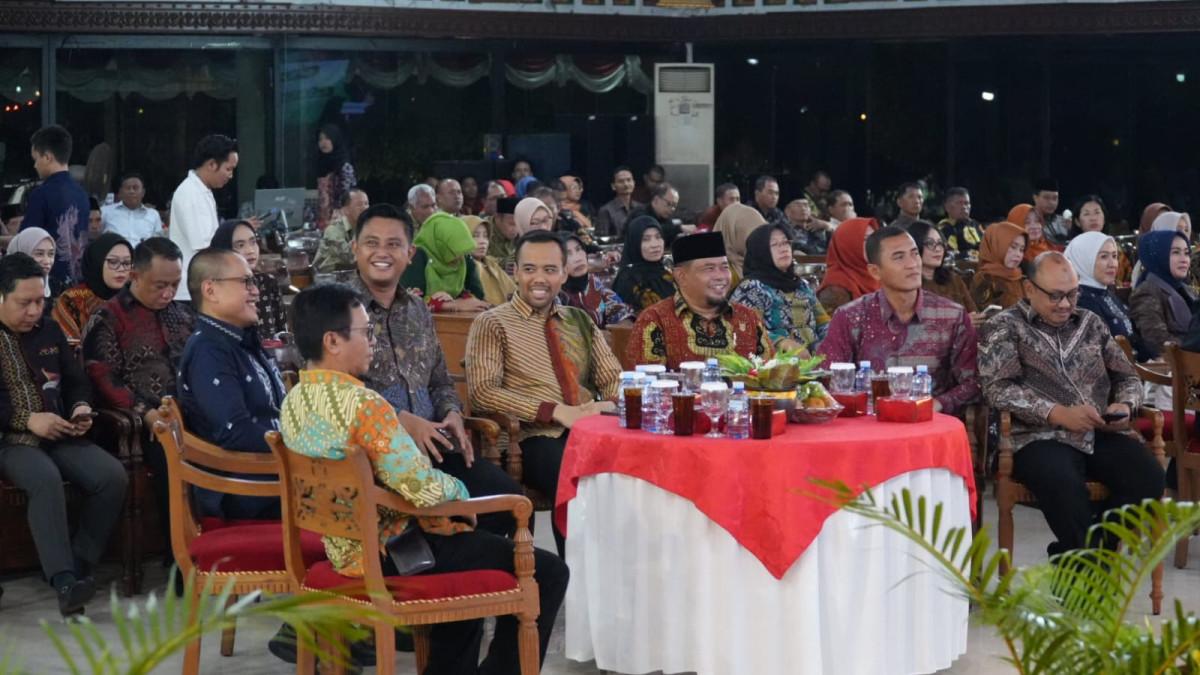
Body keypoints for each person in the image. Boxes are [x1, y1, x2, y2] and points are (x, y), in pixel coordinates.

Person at [283, 282, 568, 674]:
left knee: (470, 552)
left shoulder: (294, 400)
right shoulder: (365, 405)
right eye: (365, 333)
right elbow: (423, 488)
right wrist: (463, 497)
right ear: (333, 341)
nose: (373, 343)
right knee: (548, 570)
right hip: (390, 554)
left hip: (343, 549)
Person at [348, 204, 523, 536]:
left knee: (508, 502)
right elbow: (336, 389)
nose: (382, 253)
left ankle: (473, 585)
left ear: (411, 253)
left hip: (437, 449)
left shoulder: (418, 309)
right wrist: (399, 418)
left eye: (393, 244)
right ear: (355, 248)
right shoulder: (336, 309)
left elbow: (441, 380)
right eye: (372, 243)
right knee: (457, 519)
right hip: (380, 458)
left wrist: (453, 414)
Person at [978, 251, 1164, 555]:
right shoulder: (1004, 327)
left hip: (1099, 431)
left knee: (1148, 478)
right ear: (1029, 288)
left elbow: (1127, 377)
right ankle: (1089, 568)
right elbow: (997, 389)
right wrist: (1056, 413)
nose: (1065, 304)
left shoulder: (1090, 323)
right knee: (1063, 485)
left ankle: (1087, 558)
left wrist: (1125, 405)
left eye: (1072, 294)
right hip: (1037, 437)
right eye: (1055, 296)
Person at [467, 230, 621, 554]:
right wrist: (555, 411)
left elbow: (613, 378)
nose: (539, 278)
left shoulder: (579, 320)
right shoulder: (493, 323)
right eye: (530, 269)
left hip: (588, 429)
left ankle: (617, 584)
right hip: (530, 437)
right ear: (515, 272)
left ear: (564, 273)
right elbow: (482, 392)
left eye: (550, 270)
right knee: (577, 476)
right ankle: (577, 582)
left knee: (628, 477)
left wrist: (607, 404)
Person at [0, 253, 127, 616]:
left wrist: (80, 408)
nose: (34, 311)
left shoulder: (49, 329)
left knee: (111, 476)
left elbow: (75, 380)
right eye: (25, 303)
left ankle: (80, 560)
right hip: (11, 440)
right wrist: (26, 419)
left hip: (59, 430)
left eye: (41, 301)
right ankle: (64, 582)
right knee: (44, 478)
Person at [82, 237, 193, 551]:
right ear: (134, 275)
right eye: (159, 285)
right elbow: (104, 378)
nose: (168, 293)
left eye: (175, 284)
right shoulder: (108, 317)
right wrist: (145, 411)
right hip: (142, 422)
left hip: (190, 412)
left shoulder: (182, 314)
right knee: (170, 452)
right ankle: (180, 559)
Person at [818, 226, 979, 414]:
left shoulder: (951, 316)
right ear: (875, 271)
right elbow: (827, 378)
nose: (912, 264)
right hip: (869, 426)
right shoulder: (850, 317)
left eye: (914, 254)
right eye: (899, 257)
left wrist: (938, 403)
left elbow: (973, 382)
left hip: (929, 425)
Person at [177, 248, 286, 520]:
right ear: (210, 290)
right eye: (246, 282)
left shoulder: (239, 339)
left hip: (275, 474)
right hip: (244, 489)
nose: (256, 291)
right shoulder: (209, 351)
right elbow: (235, 432)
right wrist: (301, 447)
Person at [628, 231, 773, 368]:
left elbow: (771, 376)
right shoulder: (655, 320)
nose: (720, 276)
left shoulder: (748, 318)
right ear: (681, 276)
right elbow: (648, 385)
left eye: (724, 267)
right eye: (709, 269)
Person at [731, 222, 829, 354]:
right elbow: (744, 331)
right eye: (775, 245)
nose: (784, 249)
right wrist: (781, 343)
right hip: (773, 368)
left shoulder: (801, 285)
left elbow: (823, 323)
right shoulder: (751, 288)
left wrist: (829, 344)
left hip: (814, 365)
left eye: (785, 242)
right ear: (761, 252)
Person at [169, 134, 238, 302]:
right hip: (192, 290)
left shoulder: (201, 189)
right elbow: (205, 246)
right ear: (212, 164)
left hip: (201, 285)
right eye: (228, 169)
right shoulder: (191, 193)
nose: (231, 176)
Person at [22, 125, 90, 285]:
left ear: (47, 157)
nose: (35, 165)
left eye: (36, 159)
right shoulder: (82, 194)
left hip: (48, 282)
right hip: (78, 283)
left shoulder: (41, 193)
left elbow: (25, 242)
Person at [1064, 231, 1145, 361]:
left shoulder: (1104, 293)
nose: (1112, 263)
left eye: (1114, 256)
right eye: (1103, 257)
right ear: (1084, 259)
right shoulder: (1082, 301)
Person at [209, 220, 286, 336]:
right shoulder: (215, 288)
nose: (250, 250)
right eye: (240, 245)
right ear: (224, 249)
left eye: (253, 242)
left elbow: (282, 332)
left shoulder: (268, 282)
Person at [401, 212, 490, 312]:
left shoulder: (464, 258)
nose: (460, 257)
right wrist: (448, 305)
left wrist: (458, 299)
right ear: (440, 245)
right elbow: (406, 303)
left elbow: (477, 296)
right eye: (453, 250)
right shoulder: (417, 257)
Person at [1128, 230, 1196, 360]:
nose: (1184, 259)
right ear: (1158, 255)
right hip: (1173, 371)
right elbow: (1157, 341)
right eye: (1175, 252)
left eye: (1186, 253)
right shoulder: (1146, 292)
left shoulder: (1187, 290)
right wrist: (1194, 348)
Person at [52, 233, 132, 344]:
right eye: (113, 262)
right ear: (97, 261)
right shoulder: (72, 300)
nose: (121, 269)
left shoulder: (134, 300)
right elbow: (67, 350)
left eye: (127, 263)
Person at [559, 233, 634, 329]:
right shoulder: (557, 296)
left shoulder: (593, 282)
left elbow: (616, 307)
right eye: (567, 254)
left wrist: (623, 324)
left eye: (578, 249)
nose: (577, 258)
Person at [905, 220, 978, 316]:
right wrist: (962, 324)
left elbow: (973, 312)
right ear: (915, 247)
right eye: (930, 243)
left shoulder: (953, 279)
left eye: (940, 243)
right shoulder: (907, 286)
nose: (938, 249)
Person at [612, 216, 676, 313]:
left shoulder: (667, 272)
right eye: (646, 239)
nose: (655, 244)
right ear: (635, 243)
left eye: (658, 237)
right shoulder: (628, 280)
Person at [816, 217, 881, 313]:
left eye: (874, 239)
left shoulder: (877, 274)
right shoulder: (835, 290)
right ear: (848, 244)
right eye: (866, 239)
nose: (874, 245)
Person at [971, 221, 1027, 310]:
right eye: (1013, 247)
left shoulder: (1021, 279)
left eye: (1021, 249)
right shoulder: (985, 279)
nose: (1018, 254)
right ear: (996, 245)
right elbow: (988, 316)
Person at [7, 227, 66, 309]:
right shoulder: (6, 290)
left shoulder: (57, 288)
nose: (47, 261)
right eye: (39, 254)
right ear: (22, 253)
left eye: (51, 254)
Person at [313, 187, 369, 273]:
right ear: (345, 210)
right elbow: (350, 257)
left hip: (348, 275)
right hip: (327, 277)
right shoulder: (333, 230)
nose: (365, 208)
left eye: (366, 204)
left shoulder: (364, 227)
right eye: (359, 205)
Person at [101, 173, 163, 246]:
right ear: (120, 192)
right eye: (128, 188)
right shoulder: (105, 212)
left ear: (143, 192)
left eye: (135, 188)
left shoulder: (153, 215)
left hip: (143, 256)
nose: (132, 191)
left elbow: (157, 243)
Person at [467, 216, 517, 306]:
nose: (483, 241)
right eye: (475, 236)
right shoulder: (463, 268)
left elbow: (512, 290)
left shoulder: (491, 263)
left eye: (485, 236)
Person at [315, 125, 357, 231]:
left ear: (335, 140)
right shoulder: (320, 164)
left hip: (340, 221)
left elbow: (348, 196)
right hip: (322, 221)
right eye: (320, 139)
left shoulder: (344, 166)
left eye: (327, 138)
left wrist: (337, 217)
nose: (323, 142)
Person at [714, 202, 767, 280]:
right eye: (750, 234)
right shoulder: (719, 276)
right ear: (732, 233)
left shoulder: (768, 265)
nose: (759, 241)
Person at [594, 165, 641, 239]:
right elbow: (601, 240)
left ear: (634, 183)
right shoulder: (606, 211)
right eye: (621, 181)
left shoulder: (640, 208)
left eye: (629, 180)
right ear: (613, 186)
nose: (626, 184)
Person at [937, 187, 984, 259]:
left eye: (967, 203)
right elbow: (951, 255)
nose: (964, 207)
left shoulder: (975, 224)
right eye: (959, 203)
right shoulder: (944, 228)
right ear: (947, 207)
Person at [1032, 177, 1070, 244]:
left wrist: (1072, 230)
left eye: (1055, 198)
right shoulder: (1026, 222)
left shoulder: (1063, 222)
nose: (1051, 203)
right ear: (1035, 198)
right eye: (1046, 198)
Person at [488, 196, 520, 271]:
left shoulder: (522, 231)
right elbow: (480, 260)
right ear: (497, 217)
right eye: (512, 224)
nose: (516, 229)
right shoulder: (484, 231)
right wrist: (504, 263)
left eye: (518, 224)